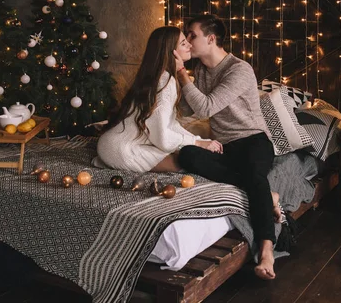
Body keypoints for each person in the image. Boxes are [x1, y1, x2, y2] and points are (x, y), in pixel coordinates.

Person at [173, 15, 278, 280]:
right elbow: (186, 110)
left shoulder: (239, 69)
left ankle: (267, 250)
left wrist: (183, 75)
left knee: (255, 175)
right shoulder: (202, 73)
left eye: (192, 35)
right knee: (187, 154)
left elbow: (206, 107)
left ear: (211, 38)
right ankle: (267, 195)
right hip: (225, 146)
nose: (187, 40)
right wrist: (173, 77)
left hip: (253, 141)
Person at [96, 26, 222, 173]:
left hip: (120, 143)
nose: (189, 44)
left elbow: (170, 124)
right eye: (183, 43)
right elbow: (163, 137)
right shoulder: (165, 81)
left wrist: (200, 141)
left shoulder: (161, 77)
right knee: (190, 163)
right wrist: (198, 143)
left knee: (193, 154)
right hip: (120, 149)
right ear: (170, 52)